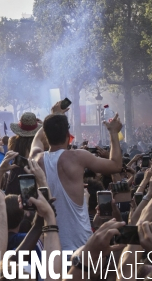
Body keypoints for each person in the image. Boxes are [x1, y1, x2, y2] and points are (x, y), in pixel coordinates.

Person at [30, 100, 123, 251]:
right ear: (68, 135)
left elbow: (37, 139)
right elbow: (116, 165)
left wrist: (54, 115)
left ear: (46, 135)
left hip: (50, 246)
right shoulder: (78, 157)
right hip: (80, 244)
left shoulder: (36, 159)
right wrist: (113, 133)